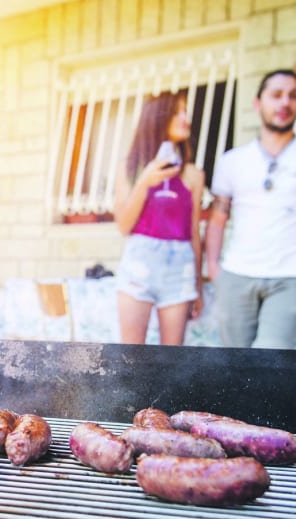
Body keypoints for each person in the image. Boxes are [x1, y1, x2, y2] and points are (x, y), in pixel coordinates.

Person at [205, 69, 296, 349]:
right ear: (258, 103)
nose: (285, 103)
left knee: (268, 363)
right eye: (276, 95)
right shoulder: (232, 160)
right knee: (233, 367)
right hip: (237, 274)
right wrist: (213, 268)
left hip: (293, 275)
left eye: (293, 96)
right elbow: (218, 219)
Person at [114, 90, 204, 345]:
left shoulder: (193, 175)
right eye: (177, 112)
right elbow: (123, 225)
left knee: (170, 363)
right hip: (138, 264)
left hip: (180, 268)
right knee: (131, 359)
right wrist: (144, 182)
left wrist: (197, 285)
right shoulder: (130, 167)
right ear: (157, 117)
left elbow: (194, 233)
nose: (185, 118)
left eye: (186, 111)